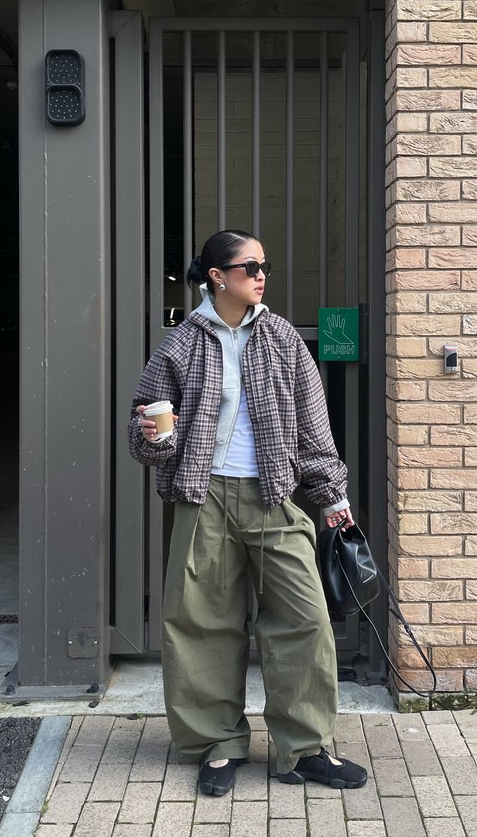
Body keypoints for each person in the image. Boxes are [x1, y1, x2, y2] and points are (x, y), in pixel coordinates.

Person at [128, 229, 368, 797]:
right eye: (250, 265)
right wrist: (155, 435)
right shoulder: (178, 345)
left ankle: (303, 749)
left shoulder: (282, 338)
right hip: (203, 496)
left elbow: (313, 426)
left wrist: (333, 498)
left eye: (265, 265)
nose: (262, 274)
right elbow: (144, 443)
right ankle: (218, 743)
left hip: (275, 495)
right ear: (217, 276)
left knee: (305, 619)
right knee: (201, 625)